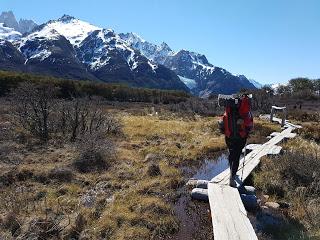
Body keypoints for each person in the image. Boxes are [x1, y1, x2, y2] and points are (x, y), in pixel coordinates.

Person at [218, 94, 253, 187]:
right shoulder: (245, 111)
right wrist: (247, 132)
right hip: (240, 136)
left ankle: (231, 171)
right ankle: (232, 176)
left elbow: (222, 123)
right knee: (237, 156)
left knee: (231, 153)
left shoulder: (229, 109)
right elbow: (249, 124)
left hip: (229, 135)